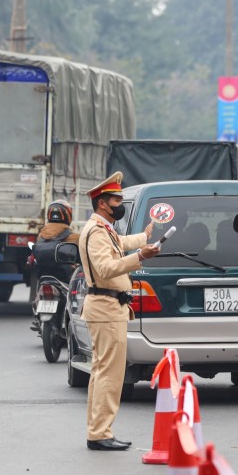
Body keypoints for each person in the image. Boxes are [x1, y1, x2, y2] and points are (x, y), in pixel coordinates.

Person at [78, 171, 160, 452]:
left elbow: (119, 245)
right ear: (103, 204)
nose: (120, 204)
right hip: (106, 309)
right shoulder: (97, 232)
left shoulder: (101, 229)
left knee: (102, 373)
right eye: (116, 199)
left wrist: (143, 238)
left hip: (107, 308)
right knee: (109, 376)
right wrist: (140, 258)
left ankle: (97, 430)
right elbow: (105, 268)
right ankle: (100, 433)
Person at [30, 200, 80, 331]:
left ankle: (37, 311)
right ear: (68, 216)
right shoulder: (74, 237)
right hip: (64, 276)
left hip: (43, 275)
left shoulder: (41, 235)